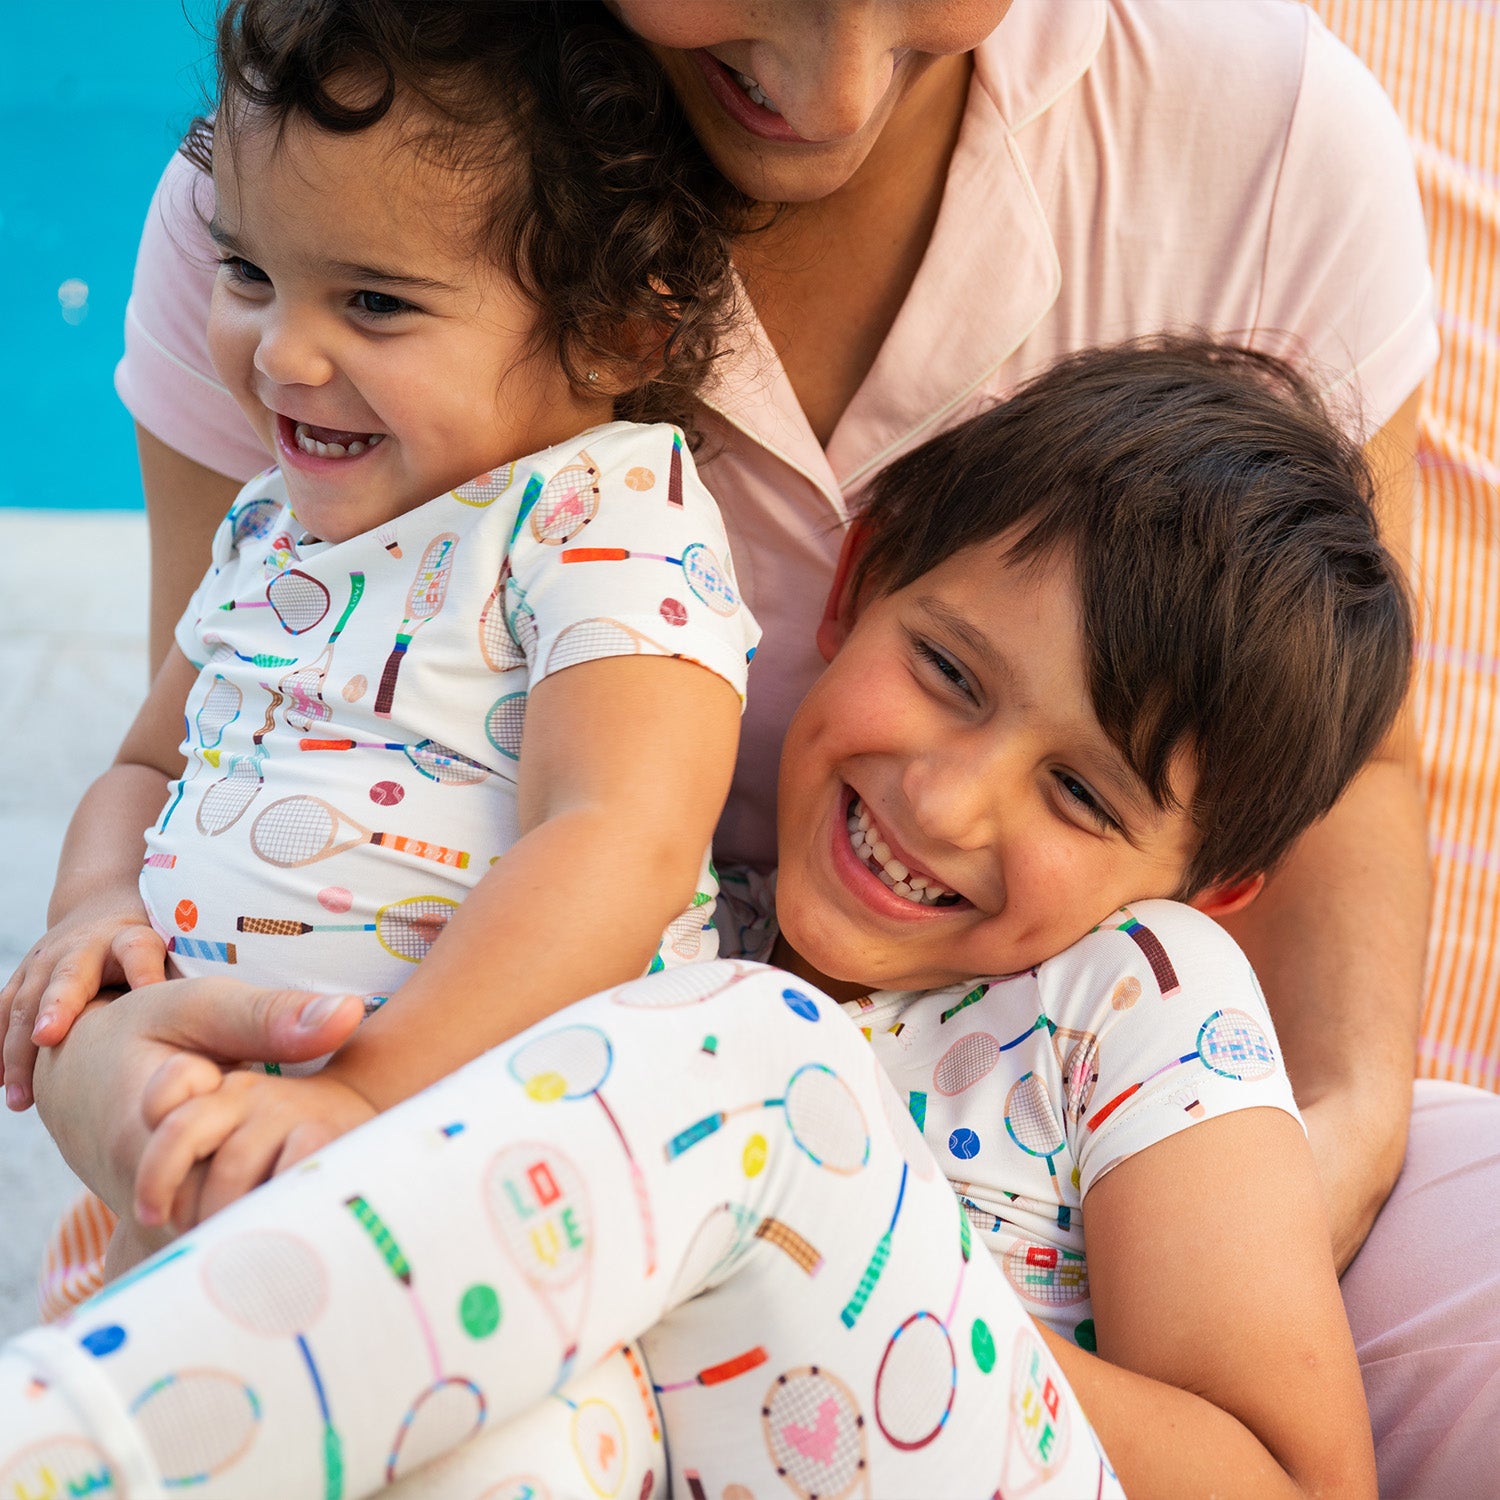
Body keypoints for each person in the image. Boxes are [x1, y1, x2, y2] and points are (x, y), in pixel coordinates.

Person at [23, 0, 1480, 1488]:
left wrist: (850, 1253)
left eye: (1079, 793)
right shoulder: (696, 936)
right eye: (947, 673)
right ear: (854, 590)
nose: (946, 796)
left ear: (1214, 876)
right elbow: (211, 771)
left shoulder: (1139, 1003)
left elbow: (1299, 1478)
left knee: (751, 1071)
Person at [0, 0, 760, 1285]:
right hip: (225, 1146)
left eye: (374, 301)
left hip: (487, 1167)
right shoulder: (270, 522)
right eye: (250, 274)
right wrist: (93, 904)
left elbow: (620, 838)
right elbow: (144, 766)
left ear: (614, 329)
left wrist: (366, 1095)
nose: (281, 351)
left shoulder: (598, 512)